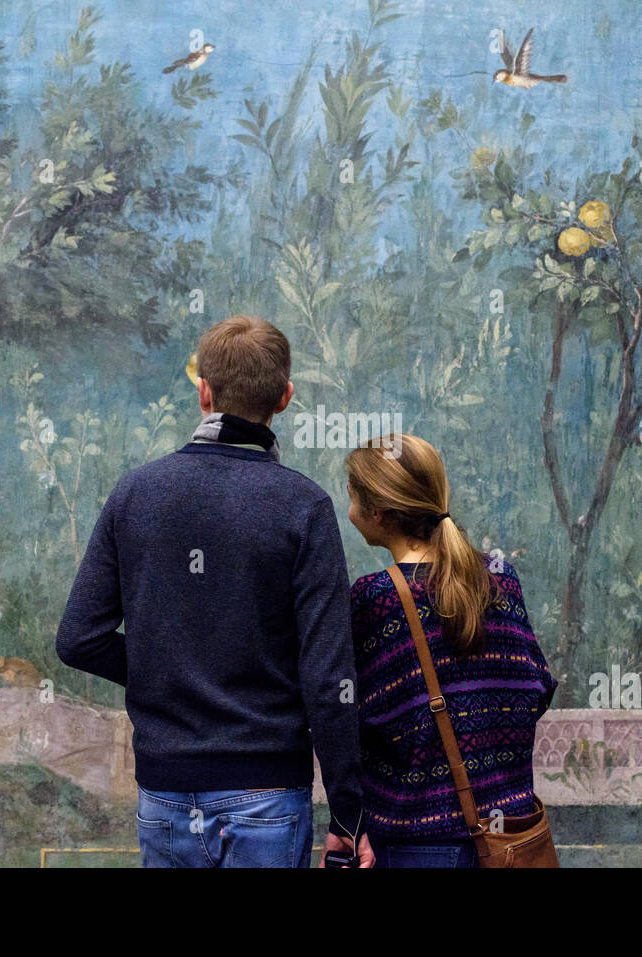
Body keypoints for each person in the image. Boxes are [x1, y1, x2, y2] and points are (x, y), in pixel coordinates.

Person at [56, 315, 372, 868]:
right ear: (285, 397)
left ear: (203, 391)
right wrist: (349, 815)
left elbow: (78, 639)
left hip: (164, 794)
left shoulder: (135, 494)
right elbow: (329, 680)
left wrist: (167, 670)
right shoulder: (304, 507)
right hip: (266, 793)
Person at [340, 433, 557, 868]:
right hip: (508, 836)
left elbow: (354, 720)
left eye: (353, 499)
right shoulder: (500, 577)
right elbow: (537, 688)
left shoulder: (375, 597)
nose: (349, 511)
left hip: (417, 841)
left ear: (377, 512)